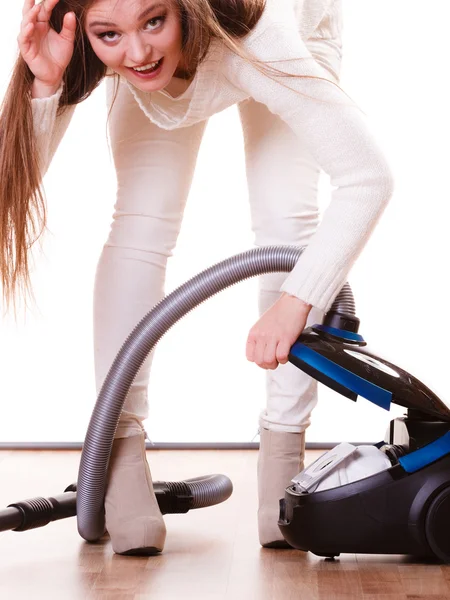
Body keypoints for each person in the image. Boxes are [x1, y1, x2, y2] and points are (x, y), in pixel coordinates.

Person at [0, 0, 394, 555]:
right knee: (141, 219)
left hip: (261, 28)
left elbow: (368, 176)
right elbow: (9, 195)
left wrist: (296, 302)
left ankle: (284, 465)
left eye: (154, 22)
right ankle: (119, 455)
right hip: (182, 30)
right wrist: (45, 87)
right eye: (109, 35)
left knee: (286, 218)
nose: (137, 53)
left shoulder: (260, 34)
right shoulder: (115, 37)